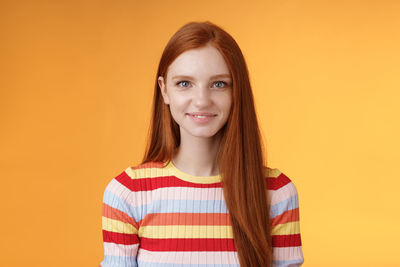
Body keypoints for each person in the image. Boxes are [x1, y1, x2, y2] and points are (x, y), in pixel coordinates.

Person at [99, 21, 304, 267]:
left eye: (219, 84)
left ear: (237, 91)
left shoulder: (277, 193)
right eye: (184, 83)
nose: (201, 101)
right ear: (164, 90)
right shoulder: (127, 193)